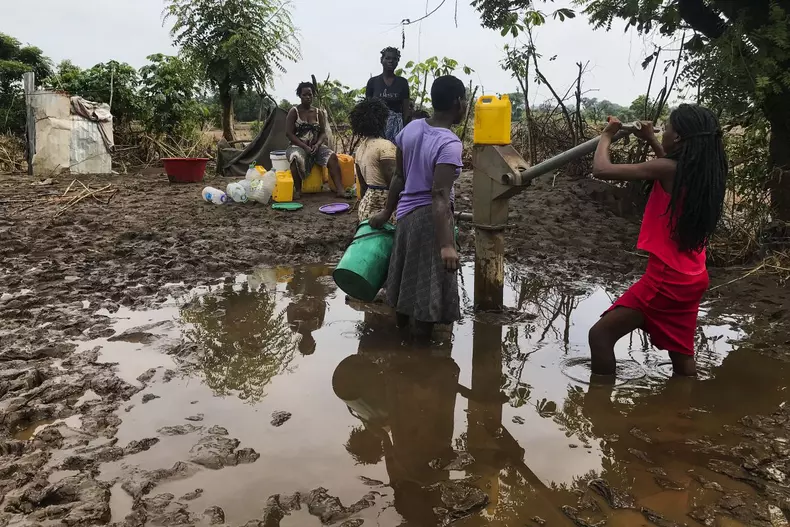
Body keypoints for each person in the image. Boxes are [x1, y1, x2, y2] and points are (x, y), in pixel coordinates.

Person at [588, 104, 728, 377]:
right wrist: (652, 139)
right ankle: (682, 409)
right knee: (682, 351)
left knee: (600, 336)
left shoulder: (668, 169)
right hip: (693, 275)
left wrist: (606, 135)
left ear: (678, 138)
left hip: (666, 278)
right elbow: (669, 166)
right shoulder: (703, 172)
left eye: (666, 129)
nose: (662, 132)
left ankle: (600, 409)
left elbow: (602, 170)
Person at [369, 75, 467, 340]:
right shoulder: (450, 143)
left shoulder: (410, 129)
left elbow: (399, 177)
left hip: (405, 217)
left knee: (403, 287)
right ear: (458, 103)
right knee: (426, 297)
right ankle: (418, 360)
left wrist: (385, 212)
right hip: (430, 222)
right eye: (465, 99)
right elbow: (439, 195)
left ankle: (400, 344)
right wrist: (447, 244)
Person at [285, 82, 345, 199]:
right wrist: (304, 146)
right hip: (297, 146)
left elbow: (323, 133)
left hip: (315, 146)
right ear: (299, 96)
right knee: (295, 157)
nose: (308, 97)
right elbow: (289, 134)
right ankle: (298, 190)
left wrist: (317, 144)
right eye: (304, 95)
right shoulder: (294, 112)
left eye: (310, 94)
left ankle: (340, 189)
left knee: (332, 157)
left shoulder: (318, 113)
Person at [349, 98, 397, 223]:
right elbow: (394, 184)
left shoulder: (360, 148)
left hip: (365, 208)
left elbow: (363, 187)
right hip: (385, 209)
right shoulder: (386, 147)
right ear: (382, 121)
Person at [366, 47, 411, 142]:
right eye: (387, 58)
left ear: (397, 62)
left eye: (394, 59)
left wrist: (406, 133)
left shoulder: (402, 83)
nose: (391, 61)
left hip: (397, 130)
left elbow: (406, 112)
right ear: (381, 60)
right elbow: (367, 110)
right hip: (377, 130)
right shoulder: (373, 82)